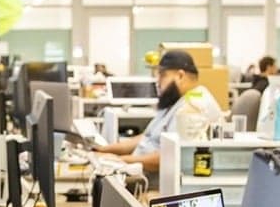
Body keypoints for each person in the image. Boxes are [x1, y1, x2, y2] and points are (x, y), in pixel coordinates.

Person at [93, 50, 221, 174]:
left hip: (154, 181)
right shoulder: (176, 101)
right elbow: (146, 138)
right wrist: (103, 150)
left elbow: (168, 157)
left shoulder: (192, 107)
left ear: (180, 76)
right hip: (137, 170)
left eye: (162, 75)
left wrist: (120, 160)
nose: (158, 82)